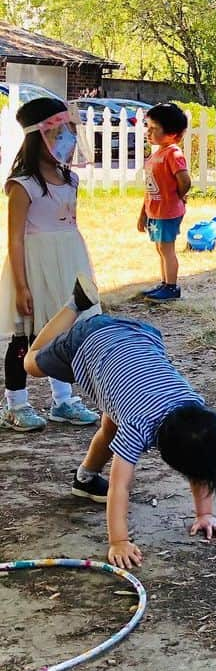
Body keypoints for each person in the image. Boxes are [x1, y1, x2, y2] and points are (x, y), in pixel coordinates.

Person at [24, 274, 216, 569]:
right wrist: (118, 541)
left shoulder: (196, 410)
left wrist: (204, 515)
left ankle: (84, 480)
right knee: (31, 364)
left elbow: (200, 462)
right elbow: (119, 487)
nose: (198, 481)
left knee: (111, 425)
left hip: (141, 336)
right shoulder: (139, 425)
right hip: (89, 339)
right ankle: (75, 305)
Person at [0, 96, 100, 431]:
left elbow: (69, 226)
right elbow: (15, 239)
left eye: (68, 133)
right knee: (25, 337)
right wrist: (21, 285)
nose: (67, 141)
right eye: (58, 134)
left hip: (68, 263)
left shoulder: (70, 180)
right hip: (34, 267)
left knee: (64, 333)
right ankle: (16, 404)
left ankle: (63, 400)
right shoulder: (22, 186)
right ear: (37, 138)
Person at [138, 102, 191, 301]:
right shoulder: (156, 154)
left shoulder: (173, 154)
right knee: (160, 248)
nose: (148, 132)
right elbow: (150, 188)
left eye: (154, 129)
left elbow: (185, 181)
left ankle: (171, 287)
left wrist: (176, 198)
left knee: (167, 249)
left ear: (173, 134)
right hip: (155, 211)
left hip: (167, 212)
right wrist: (143, 214)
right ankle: (164, 282)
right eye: (147, 127)